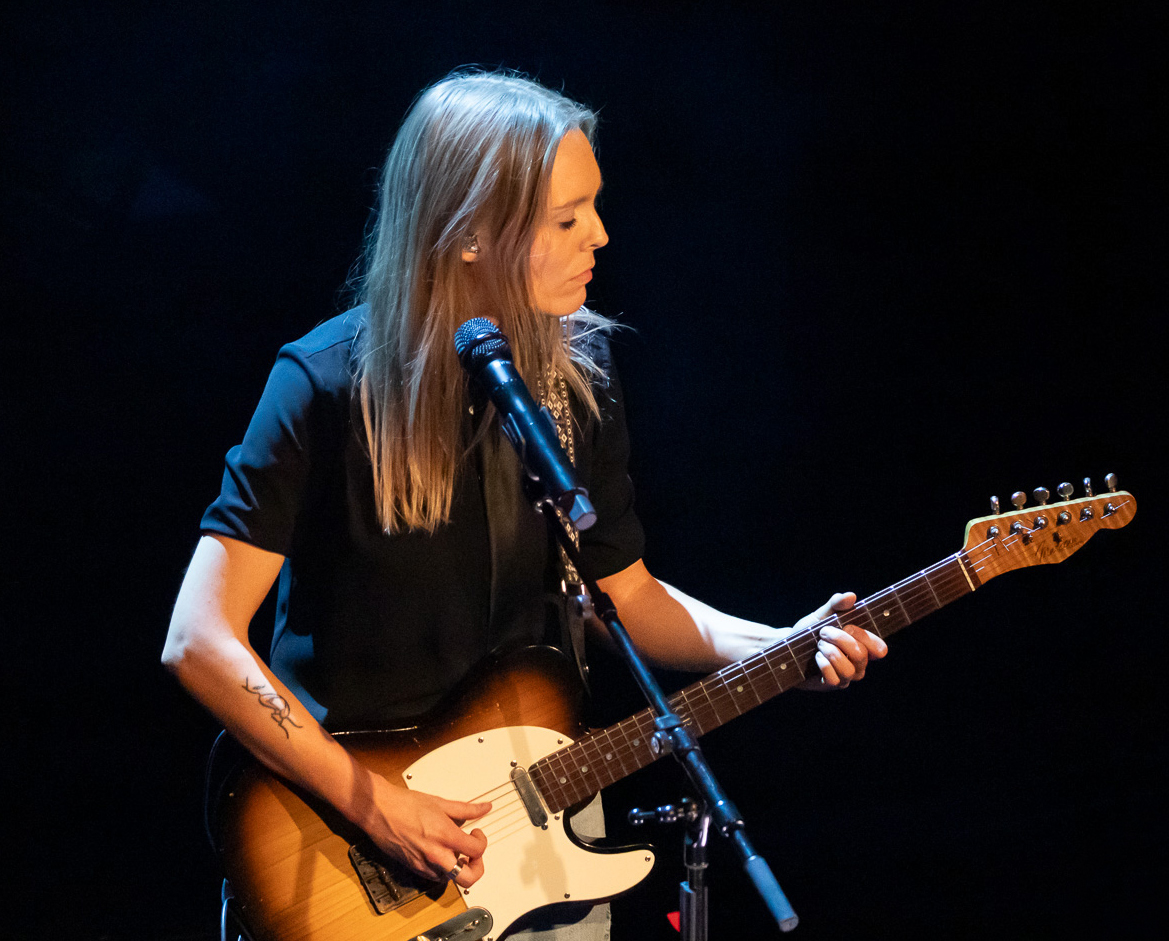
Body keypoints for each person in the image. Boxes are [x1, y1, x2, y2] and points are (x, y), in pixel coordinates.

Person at [161, 69, 886, 938]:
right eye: (567, 218)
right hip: (345, 850)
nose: (601, 237)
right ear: (469, 231)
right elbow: (197, 637)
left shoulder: (579, 378)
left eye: (595, 208)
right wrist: (375, 804)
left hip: (539, 850)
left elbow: (626, 597)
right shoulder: (322, 383)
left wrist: (781, 645)